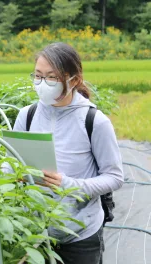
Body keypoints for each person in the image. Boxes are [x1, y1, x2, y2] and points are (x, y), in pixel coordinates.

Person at [12, 42, 123, 263]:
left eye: (51, 77)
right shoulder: (27, 115)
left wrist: (68, 185)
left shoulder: (94, 121)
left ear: (74, 80)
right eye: (38, 76)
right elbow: (15, 161)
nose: (42, 83)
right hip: (36, 232)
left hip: (80, 234)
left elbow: (114, 177)